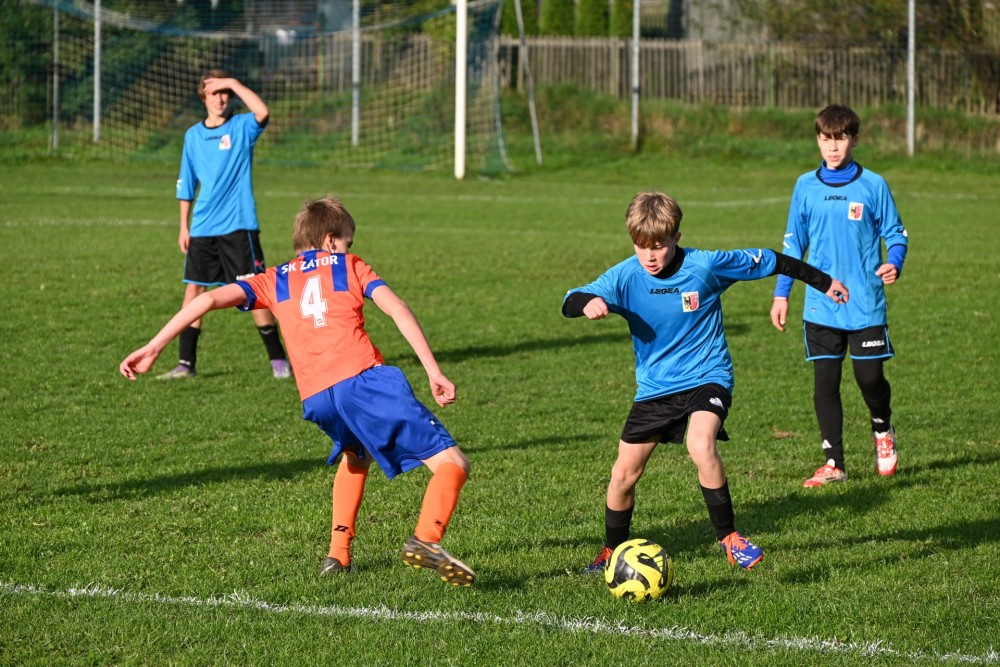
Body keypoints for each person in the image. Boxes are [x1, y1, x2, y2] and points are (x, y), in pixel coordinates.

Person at [121, 195, 476, 587]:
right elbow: (398, 308)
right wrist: (433, 370)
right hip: (364, 381)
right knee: (453, 463)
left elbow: (207, 298)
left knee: (356, 456)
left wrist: (153, 346)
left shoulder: (273, 278)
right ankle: (426, 539)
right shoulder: (350, 266)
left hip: (318, 397)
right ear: (330, 240)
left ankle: (337, 555)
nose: (349, 249)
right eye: (347, 242)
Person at [563, 192, 849, 573]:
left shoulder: (706, 266)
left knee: (700, 443)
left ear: (676, 237)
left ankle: (729, 538)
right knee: (622, 475)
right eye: (641, 245)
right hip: (656, 388)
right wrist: (586, 303)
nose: (650, 255)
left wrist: (824, 282)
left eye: (659, 246)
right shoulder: (625, 276)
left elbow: (771, 259)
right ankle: (611, 551)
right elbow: (571, 298)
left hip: (707, 376)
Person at [770, 104, 909, 488]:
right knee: (825, 384)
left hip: (865, 303)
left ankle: (882, 428)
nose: (832, 147)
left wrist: (894, 262)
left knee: (870, 378)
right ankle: (834, 463)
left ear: (855, 139)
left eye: (840, 139)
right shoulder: (805, 186)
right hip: (821, 304)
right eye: (825, 139)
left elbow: (896, 233)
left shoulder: (873, 185)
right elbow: (793, 245)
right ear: (817, 140)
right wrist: (782, 294)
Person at [160, 69, 291, 380]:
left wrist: (232, 82)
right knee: (194, 290)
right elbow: (186, 183)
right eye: (213, 92)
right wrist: (183, 226)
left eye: (224, 93)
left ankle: (278, 361)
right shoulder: (193, 136)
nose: (220, 99)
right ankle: (186, 364)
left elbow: (262, 111)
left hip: (238, 226)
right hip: (203, 227)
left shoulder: (241, 127)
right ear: (203, 97)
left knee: (253, 291)